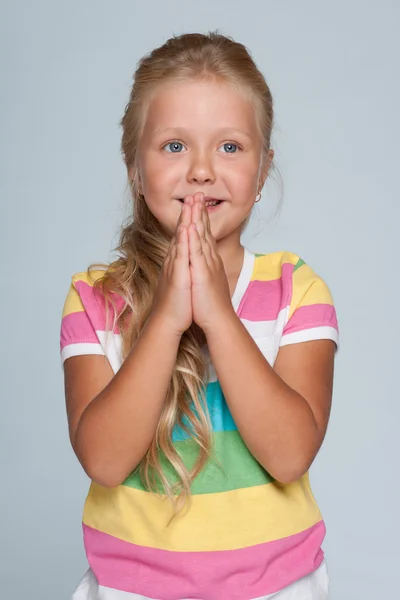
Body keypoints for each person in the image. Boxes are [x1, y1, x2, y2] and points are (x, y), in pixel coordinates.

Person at [60, 31, 339, 600]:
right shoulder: (95, 298)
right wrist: (166, 319)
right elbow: (105, 461)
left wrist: (217, 315)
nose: (202, 171)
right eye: (174, 146)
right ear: (135, 170)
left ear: (263, 171)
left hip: (277, 589)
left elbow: (290, 455)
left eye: (230, 147)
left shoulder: (297, 290)